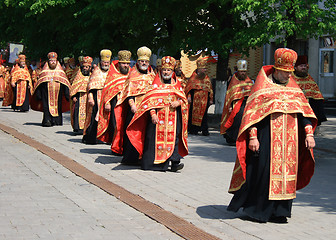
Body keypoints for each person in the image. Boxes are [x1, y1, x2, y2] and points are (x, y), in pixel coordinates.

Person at [227, 48, 317, 223]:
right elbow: (251, 116)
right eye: (285, 72)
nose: (288, 76)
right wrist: (253, 137)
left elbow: (304, 113)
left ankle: (280, 212)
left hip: (290, 142)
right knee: (264, 174)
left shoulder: (294, 89)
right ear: (276, 69)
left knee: (287, 175)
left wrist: (309, 134)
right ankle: (258, 211)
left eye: (290, 72)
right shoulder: (262, 87)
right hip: (266, 139)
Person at [126, 56, 188, 171]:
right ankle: (153, 164)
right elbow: (149, 103)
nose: (166, 72)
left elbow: (184, 100)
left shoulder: (176, 84)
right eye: (164, 70)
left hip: (173, 119)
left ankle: (175, 163)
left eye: (168, 70)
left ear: (172, 71)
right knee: (152, 141)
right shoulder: (154, 85)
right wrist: (153, 114)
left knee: (174, 139)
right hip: (157, 119)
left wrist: (178, 102)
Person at [113, 46, 155, 164]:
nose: (144, 63)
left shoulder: (152, 75)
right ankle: (131, 158)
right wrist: (132, 105)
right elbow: (128, 93)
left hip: (147, 110)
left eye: (146, 61)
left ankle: (144, 158)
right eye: (142, 61)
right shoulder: (132, 74)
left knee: (146, 135)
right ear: (138, 62)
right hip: (135, 110)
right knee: (133, 133)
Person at [97, 50, 131, 144]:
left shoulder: (131, 74)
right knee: (116, 124)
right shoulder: (113, 74)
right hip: (116, 104)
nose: (125, 65)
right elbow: (107, 90)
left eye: (127, 63)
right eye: (123, 63)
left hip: (128, 105)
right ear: (119, 64)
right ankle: (115, 145)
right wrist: (107, 102)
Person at [31, 52, 70, 127]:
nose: (53, 62)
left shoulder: (60, 72)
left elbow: (65, 83)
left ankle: (57, 121)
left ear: (57, 62)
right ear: (48, 62)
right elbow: (40, 83)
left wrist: (67, 94)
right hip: (46, 94)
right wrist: (38, 94)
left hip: (58, 94)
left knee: (58, 106)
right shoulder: (44, 72)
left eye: (54, 61)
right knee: (46, 106)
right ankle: (47, 121)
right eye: (51, 61)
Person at [220, 60, 253, 145]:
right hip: (236, 104)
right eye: (241, 71)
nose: (243, 73)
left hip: (245, 103)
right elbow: (230, 95)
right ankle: (231, 137)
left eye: (244, 72)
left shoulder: (248, 80)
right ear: (238, 71)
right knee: (235, 121)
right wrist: (230, 106)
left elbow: (251, 91)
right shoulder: (234, 80)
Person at [82, 50, 111, 144]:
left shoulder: (111, 72)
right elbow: (90, 87)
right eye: (104, 62)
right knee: (94, 118)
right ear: (100, 62)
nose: (106, 64)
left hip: (108, 98)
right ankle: (91, 137)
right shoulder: (96, 72)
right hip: (96, 98)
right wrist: (90, 98)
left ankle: (106, 138)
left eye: (107, 62)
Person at [293, 55, 327, 128]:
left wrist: (319, 117)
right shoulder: (291, 80)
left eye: (305, 66)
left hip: (308, 115)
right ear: (295, 67)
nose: (303, 67)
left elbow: (318, 98)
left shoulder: (310, 81)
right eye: (301, 66)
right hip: (295, 114)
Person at [185, 58, 213, 136]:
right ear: (199, 69)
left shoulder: (206, 77)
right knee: (193, 114)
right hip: (194, 100)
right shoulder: (193, 77)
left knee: (204, 116)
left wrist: (211, 99)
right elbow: (188, 88)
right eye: (203, 69)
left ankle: (204, 130)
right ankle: (194, 130)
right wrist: (189, 96)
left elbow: (210, 88)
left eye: (205, 68)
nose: (205, 70)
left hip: (205, 100)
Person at [70, 56, 92, 133]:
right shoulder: (78, 76)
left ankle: (86, 128)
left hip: (89, 98)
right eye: (84, 67)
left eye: (87, 67)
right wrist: (73, 96)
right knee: (77, 112)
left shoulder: (92, 76)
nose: (85, 68)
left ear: (90, 67)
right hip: (79, 98)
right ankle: (78, 128)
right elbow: (74, 87)